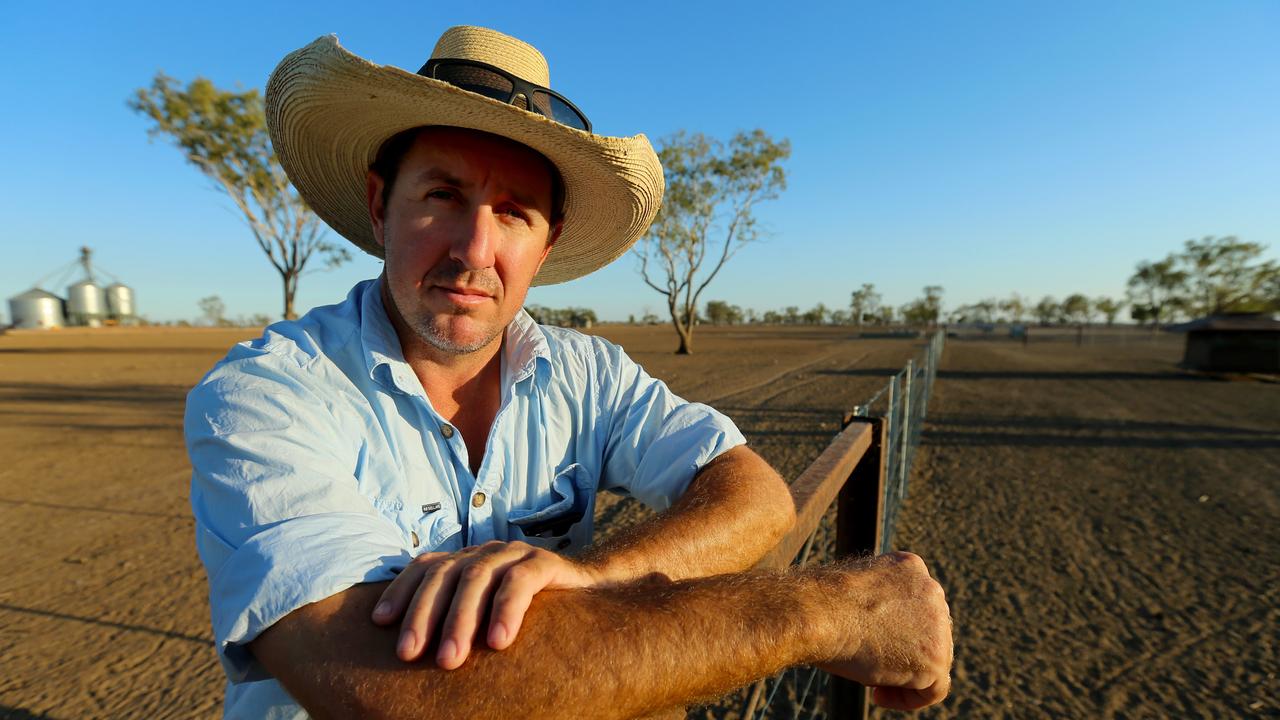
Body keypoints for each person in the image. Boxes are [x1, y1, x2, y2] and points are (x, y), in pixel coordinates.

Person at [185, 26, 952, 719]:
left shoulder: (586, 374)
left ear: (545, 247)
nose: (474, 251)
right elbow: (379, 684)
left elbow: (753, 494)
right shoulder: (268, 393)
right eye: (443, 195)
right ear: (382, 207)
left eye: (514, 212)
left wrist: (594, 576)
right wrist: (824, 612)